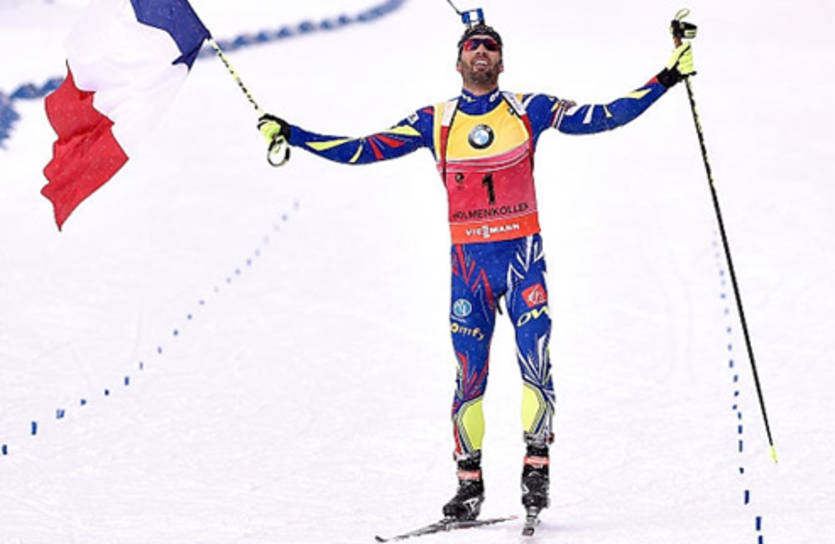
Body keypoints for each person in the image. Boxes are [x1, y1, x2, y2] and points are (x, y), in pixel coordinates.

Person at [257, 21, 694, 521]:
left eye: (491, 47)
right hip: (469, 272)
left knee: (536, 366)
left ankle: (536, 471)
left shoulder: (528, 109)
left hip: (522, 264)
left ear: (502, 62)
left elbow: (605, 116)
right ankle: (469, 486)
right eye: (472, 46)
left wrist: (666, 77)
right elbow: (363, 148)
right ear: (458, 61)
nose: (481, 51)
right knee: (469, 378)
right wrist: (295, 135)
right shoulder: (435, 121)